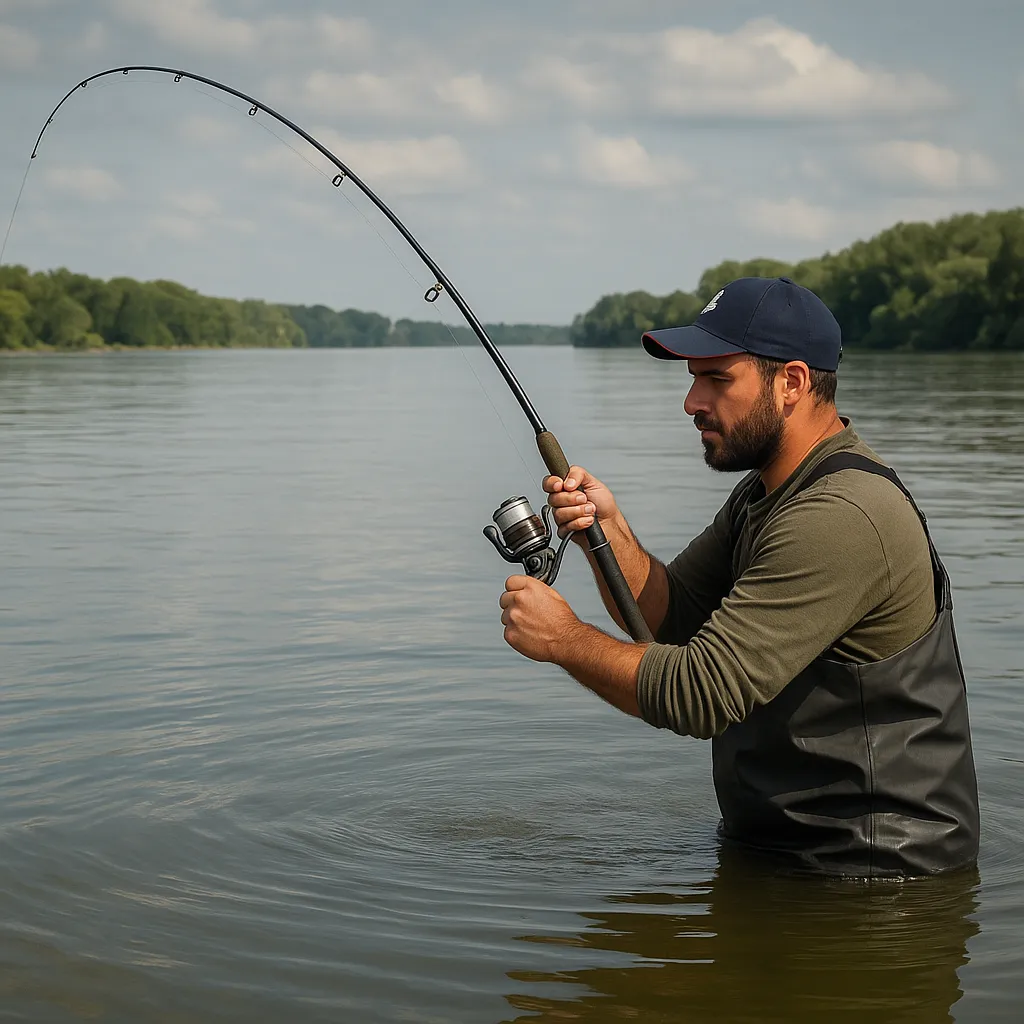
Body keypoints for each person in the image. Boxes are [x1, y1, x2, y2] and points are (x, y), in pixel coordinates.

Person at [498, 276, 980, 877]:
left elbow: (700, 693)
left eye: (717, 379)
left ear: (792, 383)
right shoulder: (764, 493)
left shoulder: (842, 517)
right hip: (784, 861)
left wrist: (563, 640)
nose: (692, 401)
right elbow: (671, 618)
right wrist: (606, 531)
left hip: (875, 885)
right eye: (693, 378)